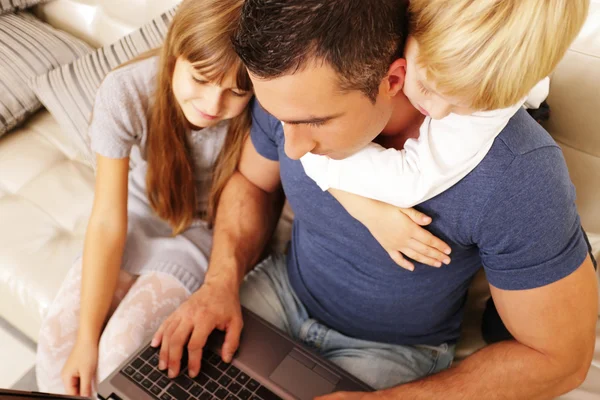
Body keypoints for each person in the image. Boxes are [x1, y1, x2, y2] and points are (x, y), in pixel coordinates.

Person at [154, 0, 597, 399]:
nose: (291, 149)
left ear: (393, 80)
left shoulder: (516, 172)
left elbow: (560, 358)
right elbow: (252, 183)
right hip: (278, 293)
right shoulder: (287, 82)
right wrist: (220, 282)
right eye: (279, 118)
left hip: (395, 353)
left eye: (314, 122)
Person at [35, 0, 253, 396]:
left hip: (207, 233)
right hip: (139, 212)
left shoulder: (262, 104)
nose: (212, 105)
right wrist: (85, 339)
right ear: (174, 54)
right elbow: (106, 220)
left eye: (235, 91)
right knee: (56, 353)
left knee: (118, 356)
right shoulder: (125, 91)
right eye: (200, 79)